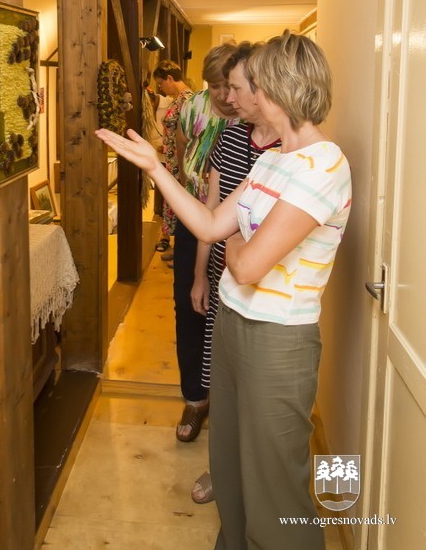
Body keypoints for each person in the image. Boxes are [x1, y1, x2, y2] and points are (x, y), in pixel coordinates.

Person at [96, 31, 352, 550]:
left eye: (250, 84)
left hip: (277, 339)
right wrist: (154, 168)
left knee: (276, 487)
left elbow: (249, 265)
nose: (237, 96)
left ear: (277, 88)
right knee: (231, 463)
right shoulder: (273, 159)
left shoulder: (324, 164)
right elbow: (211, 225)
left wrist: (236, 244)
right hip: (234, 321)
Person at [190, 42, 281, 504]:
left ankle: (250, 483)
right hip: (226, 282)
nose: (228, 98)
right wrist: (200, 275)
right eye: (223, 88)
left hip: (269, 296)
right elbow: (212, 212)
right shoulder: (228, 141)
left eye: (236, 88)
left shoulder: (292, 152)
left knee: (259, 401)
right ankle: (221, 470)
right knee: (223, 389)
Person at [173, 43, 240, 442]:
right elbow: (182, 146)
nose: (224, 95)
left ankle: (230, 400)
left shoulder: (251, 111)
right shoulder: (192, 106)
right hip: (193, 219)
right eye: (215, 86)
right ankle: (195, 398)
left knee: (229, 310)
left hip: (238, 226)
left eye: (229, 85)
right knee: (189, 305)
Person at [151, 61, 193, 257]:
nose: (161, 88)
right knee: (173, 203)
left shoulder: (187, 100)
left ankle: (181, 249)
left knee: (181, 202)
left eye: (161, 83)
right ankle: (177, 246)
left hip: (180, 162)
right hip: (172, 160)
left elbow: (188, 134)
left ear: (169, 78)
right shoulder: (178, 99)